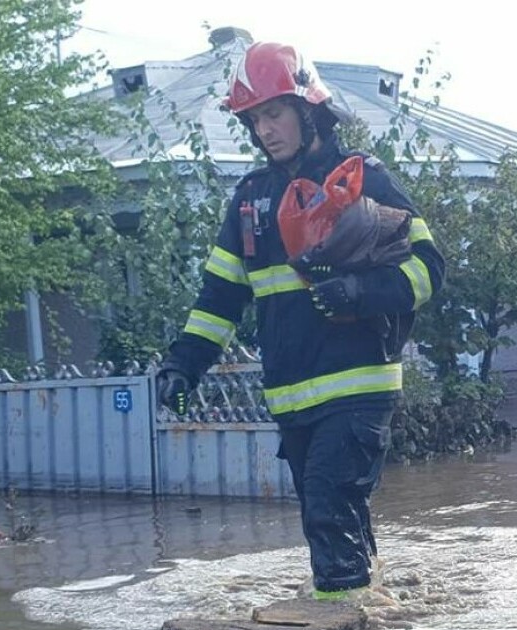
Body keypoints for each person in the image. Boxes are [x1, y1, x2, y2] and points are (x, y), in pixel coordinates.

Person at [155, 42, 444, 601]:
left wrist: (361, 292)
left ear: (307, 109)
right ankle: (375, 625)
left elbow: (431, 269)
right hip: (293, 401)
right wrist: (182, 365)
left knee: (326, 511)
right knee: (338, 518)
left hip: (358, 390)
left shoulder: (361, 179)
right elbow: (219, 297)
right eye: (254, 118)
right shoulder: (249, 201)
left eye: (274, 112)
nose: (264, 130)